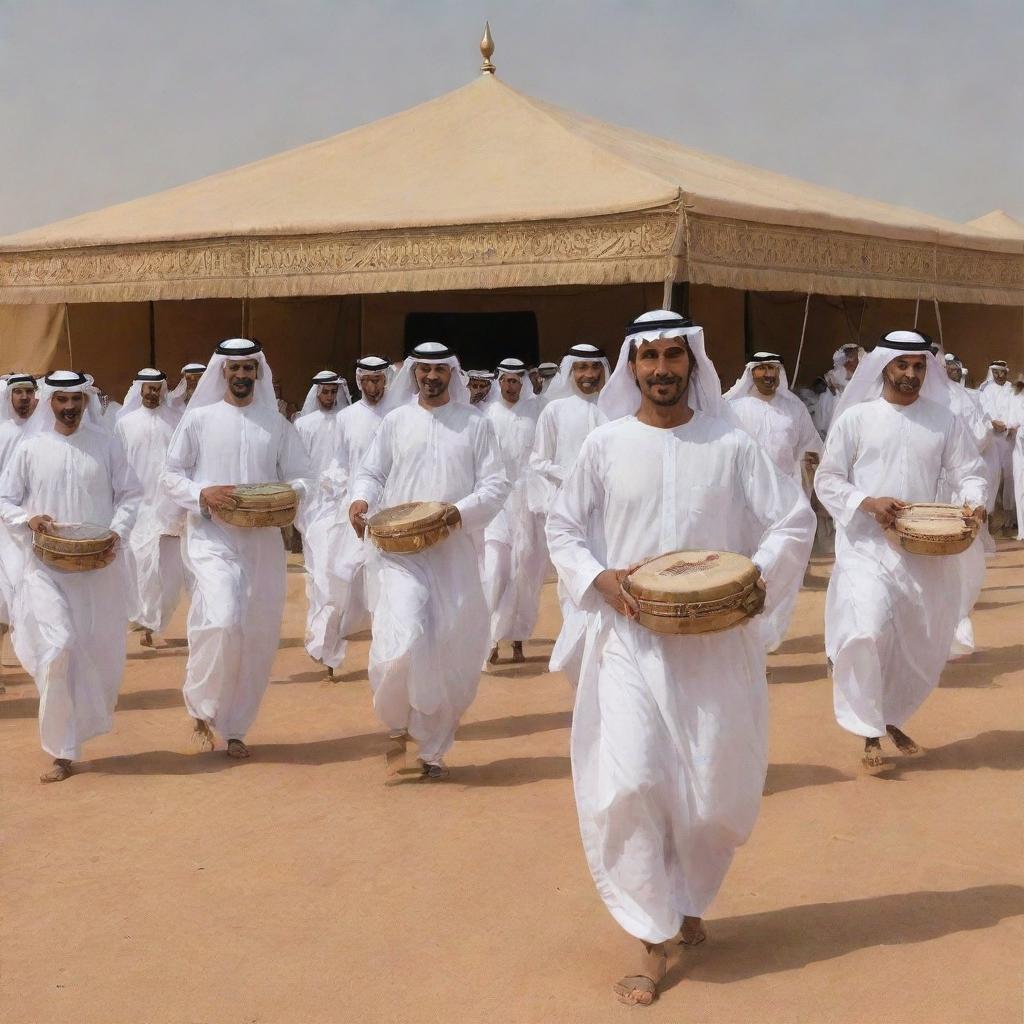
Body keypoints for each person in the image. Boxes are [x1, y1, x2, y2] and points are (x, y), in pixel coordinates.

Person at [547, 311, 814, 1005]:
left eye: (674, 356)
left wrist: (758, 578)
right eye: (648, 357)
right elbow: (564, 527)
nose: (661, 369)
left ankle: (690, 896)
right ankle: (652, 936)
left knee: (708, 787)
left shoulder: (729, 443)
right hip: (632, 643)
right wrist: (600, 580)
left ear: (693, 363)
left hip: (715, 648)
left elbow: (791, 520)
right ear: (630, 367)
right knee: (632, 782)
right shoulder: (604, 444)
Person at [815, 331, 986, 772]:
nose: (910, 374)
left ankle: (889, 716)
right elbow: (828, 479)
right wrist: (867, 503)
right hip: (866, 547)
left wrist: (974, 502)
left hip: (923, 550)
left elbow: (969, 471)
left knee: (914, 640)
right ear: (885, 367)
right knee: (868, 629)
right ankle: (868, 726)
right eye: (902, 366)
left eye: (918, 366)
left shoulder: (944, 420)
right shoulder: (856, 419)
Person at [348, 341, 508, 780]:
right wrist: (360, 500)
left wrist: (458, 512)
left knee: (450, 645)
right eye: (424, 370)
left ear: (451, 374)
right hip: (400, 552)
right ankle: (397, 722)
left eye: (440, 370)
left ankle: (433, 750)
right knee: (405, 632)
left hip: (452, 549)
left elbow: (495, 485)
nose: (432, 377)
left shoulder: (475, 425)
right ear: (415, 374)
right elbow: (371, 471)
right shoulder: (397, 422)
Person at [163, 339, 312, 759]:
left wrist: (285, 494)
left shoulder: (277, 424)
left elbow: (305, 478)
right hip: (214, 536)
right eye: (235, 369)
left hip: (263, 543)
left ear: (258, 373)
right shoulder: (198, 420)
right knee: (223, 619)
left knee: (256, 635)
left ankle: (235, 728)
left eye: (250, 369)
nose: (243, 376)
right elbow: (171, 476)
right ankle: (201, 704)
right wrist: (202, 493)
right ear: (222, 372)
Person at [0, 371, 142, 782]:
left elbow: (131, 494)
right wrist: (28, 518)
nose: (68, 407)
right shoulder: (30, 447)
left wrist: (118, 529)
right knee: (59, 646)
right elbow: (5, 498)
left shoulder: (105, 444)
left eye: (75, 400)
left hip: (97, 567)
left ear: (84, 402)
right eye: (61, 400)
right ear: (51, 402)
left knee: (95, 651)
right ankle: (61, 750)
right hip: (45, 567)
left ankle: (78, 733)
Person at [724, 352, 821, 649]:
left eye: (773, 369)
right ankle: (743, 636)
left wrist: (811, 462)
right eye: (762, 368)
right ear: (751, 372)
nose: (768, 374)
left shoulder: (794, 409)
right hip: (742, 503)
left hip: (782, 503)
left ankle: (764, 637)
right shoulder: (733, 408)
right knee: (743, 568)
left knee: (777, 569)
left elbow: (810, 445)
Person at [528, 344, 610, 686]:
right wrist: (572, 476)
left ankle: (600, 662)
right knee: (574, 586)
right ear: (570, 372)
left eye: (594, 367)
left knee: (607, 583)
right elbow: (538, 460)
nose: (589, 375)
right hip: (570, 514)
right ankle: (579, 661)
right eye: (581, 368)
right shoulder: (554, 411)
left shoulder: (616, 409)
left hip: (610, 514)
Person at [315, 356, 391, 676]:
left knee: (387, 586)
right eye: (367, 380)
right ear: (359, 381)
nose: (373, 387)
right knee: (341, 577)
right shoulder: (345, 418)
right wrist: (335, 492)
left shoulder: (398, 415)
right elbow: (339, 463)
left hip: (391, 512)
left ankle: (389, 660)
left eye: (378, 380)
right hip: (354, 511)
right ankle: (328, 650)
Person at [115, 369, 184, 649]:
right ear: (140, 389)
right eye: (148, 388)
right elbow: (117, 467)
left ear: (163, 390)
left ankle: (155, 620)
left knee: (168, 572)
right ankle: (143, 618)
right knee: (139, 565)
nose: (153, 392)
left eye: (158, 388)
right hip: (137, 505)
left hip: (168, 506)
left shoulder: (175, 421)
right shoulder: (125, 423)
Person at [482, 357, 545, 664]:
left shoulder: (536, 413)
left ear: (523, 383)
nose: (510, 386)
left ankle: (518, 638)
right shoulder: (488, 415)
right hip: (497, 503)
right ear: (500, 382)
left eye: (516, 381)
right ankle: (491, 638)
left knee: (525, 572)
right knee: (495, 569)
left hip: (528, 502)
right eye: (506, 380)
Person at [293, 371, 347, 675]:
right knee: (316, 575)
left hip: (340, 507)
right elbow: (296, 467)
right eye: (325, 392)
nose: (329, 397)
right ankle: (318, 635)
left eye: (333, 392)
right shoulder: (302, 425)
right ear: (317, 393)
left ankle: (329, 648)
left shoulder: (346, 420)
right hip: (312, 509)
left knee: (333, 575)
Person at [0, 373, 39, 663]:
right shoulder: (2, 433)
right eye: (19, 392)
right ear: (9, 397)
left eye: (29, 392)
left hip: (36, 527)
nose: (24, 397)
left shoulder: (42, 434)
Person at [976, 360, 1016, 531]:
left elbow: (1017, 409)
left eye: (1003, 372)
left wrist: (1011, 425)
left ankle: (1011, 517)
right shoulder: (984, 389)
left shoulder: (1012, 388)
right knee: (992, 477)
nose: (1000, 375)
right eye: (997, 372)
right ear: (991, 372)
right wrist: (992, 422)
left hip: (1010, 438)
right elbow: (981, 411)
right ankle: (990, 517)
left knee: (1010, 477)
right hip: (991, 439)